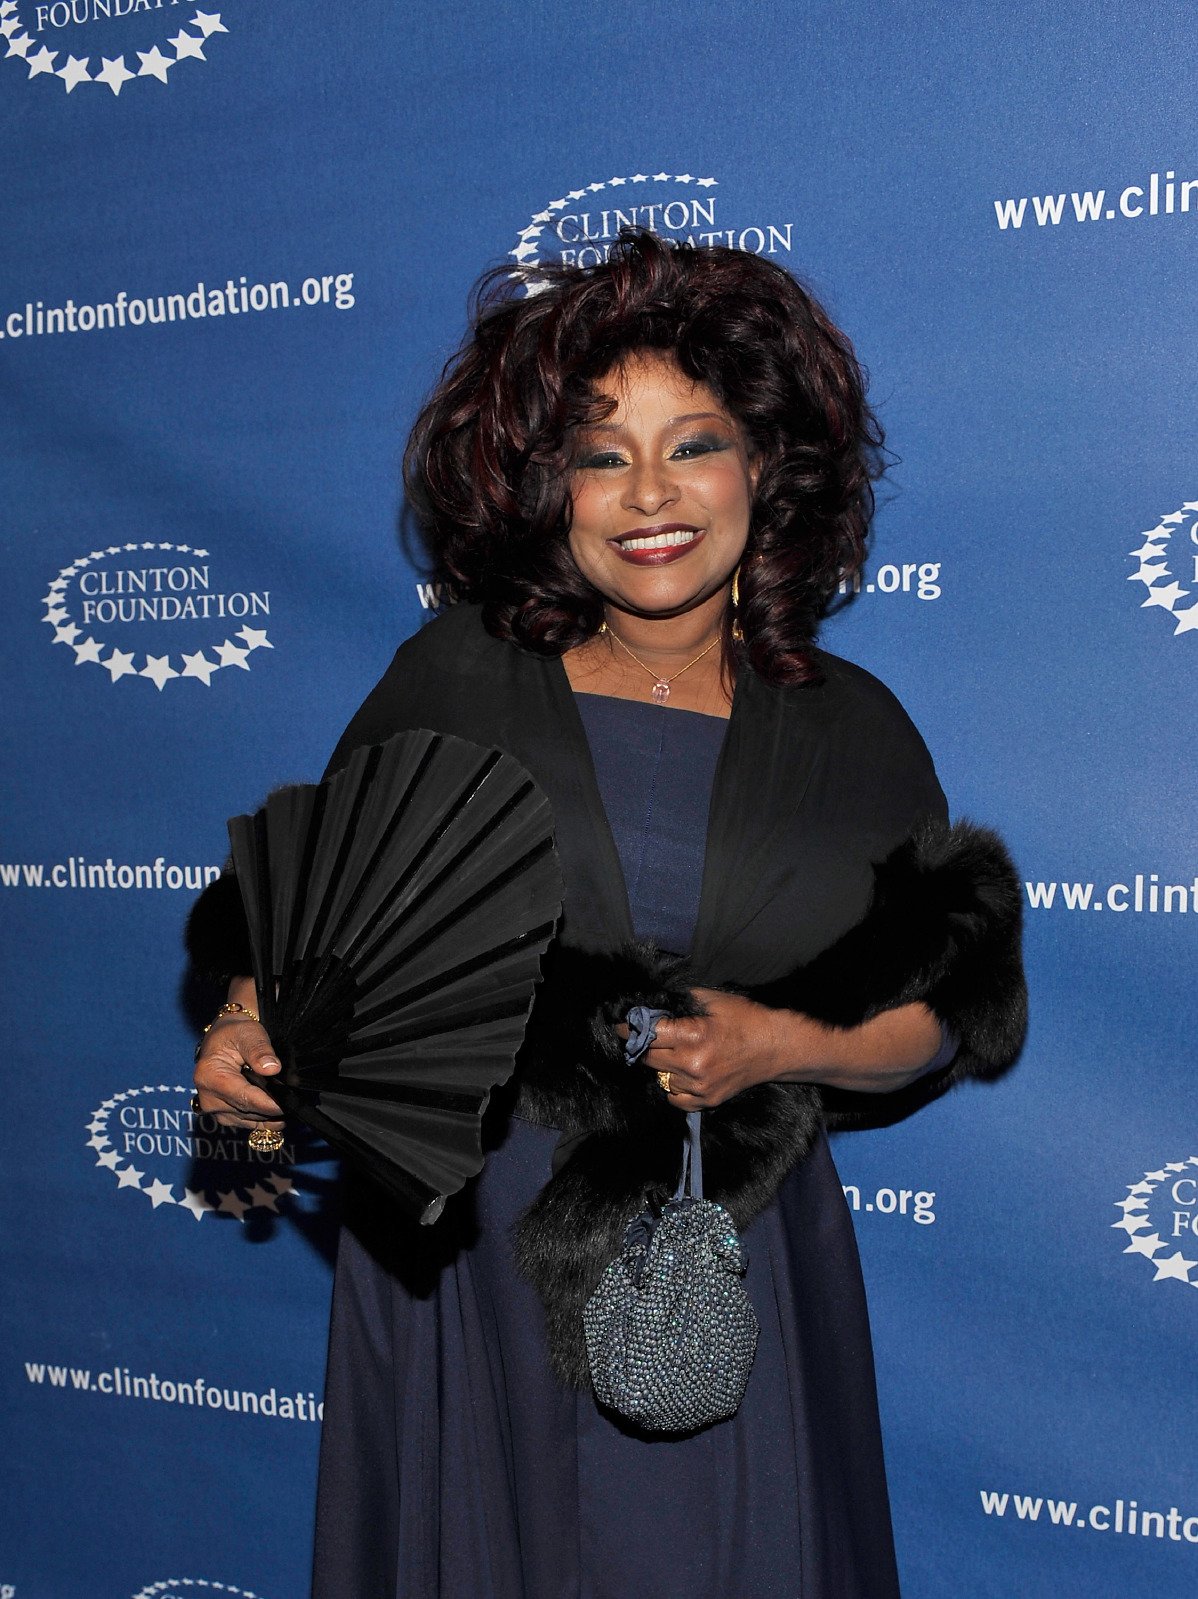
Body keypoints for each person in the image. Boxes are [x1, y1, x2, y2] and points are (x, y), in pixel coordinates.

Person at [191, 231, 1026, 1599]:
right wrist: (241, 1026)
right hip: (467, 1238)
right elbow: (308, 922)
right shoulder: (457, 674)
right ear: (549, 491)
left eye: (692, 445)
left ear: (765, 471)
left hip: (725, 1233)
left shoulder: (853, 731)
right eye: (599, 453)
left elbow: (942, 1018)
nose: (648, 493)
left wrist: (775, 1047)